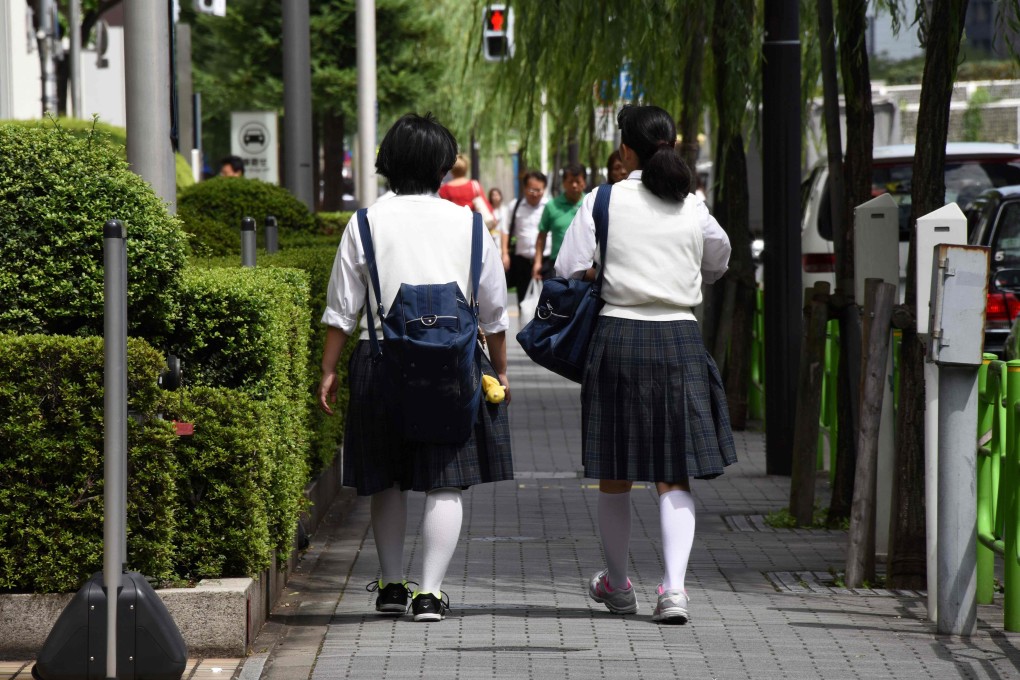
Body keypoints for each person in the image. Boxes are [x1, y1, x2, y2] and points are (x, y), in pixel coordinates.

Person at [318, 113, 512, 622]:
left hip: (380, 360)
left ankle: (389, 585)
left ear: (388, 163)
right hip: (456, 365)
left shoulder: (365, 222)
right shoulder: (471, 223)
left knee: (386, 478)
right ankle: (429, 593)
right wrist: (501, 371)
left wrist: (329, 369)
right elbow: (494, 312)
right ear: (443, 166)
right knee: (445, 480)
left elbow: (343, 308)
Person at [554, 104, 736, 625]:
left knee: (615, 471)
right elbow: (719, 259)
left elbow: (569, 267)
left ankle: (616, 585)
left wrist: (606, 269)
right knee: (673, 474)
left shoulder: (603, 200)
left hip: (617, 336)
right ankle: (674, 591)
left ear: (625, 149)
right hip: (680, 337)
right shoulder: (692, 204)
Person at [499, 171, 549, 306]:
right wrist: (504, 253)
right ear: (524, 188)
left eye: (539, 190)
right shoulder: (515, 206)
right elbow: (505, 230)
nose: (535, 193)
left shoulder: (549, 206)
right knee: (524, 302)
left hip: (546, 263)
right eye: (531, 189)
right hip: (522, 262)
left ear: (544, 189)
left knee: (547, 303)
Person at [532, 164, 586, 280]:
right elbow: (542, 236)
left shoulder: (591, 204)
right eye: (570, 181)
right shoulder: (552, 206)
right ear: (564, 183)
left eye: (577, 181)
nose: (574, 185)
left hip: (586, 265)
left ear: (584, 183)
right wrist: (537, 262)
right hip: (557, 265)